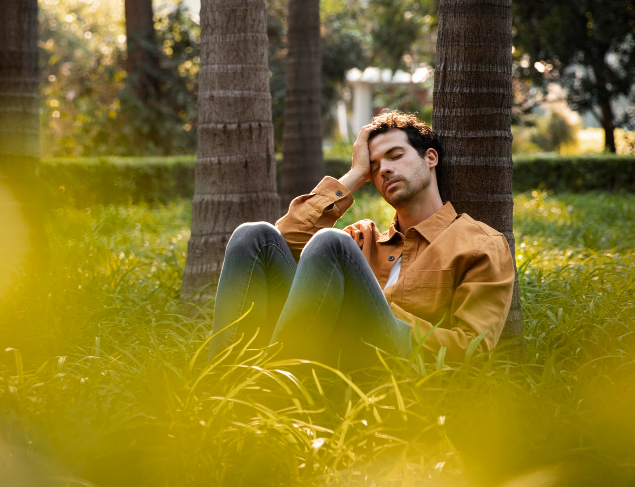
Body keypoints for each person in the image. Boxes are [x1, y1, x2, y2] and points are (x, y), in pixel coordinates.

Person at [208, 110, 515, 368]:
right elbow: (285, 237)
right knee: (254, 236)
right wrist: (355, 174)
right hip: (331, 354)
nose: (386, 170)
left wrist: (370, 302)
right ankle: (220, 392)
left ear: (430, 158)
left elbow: (471, 349)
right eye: (375, 166)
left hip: (397, 367)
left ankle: (279, 394)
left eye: (395, 156)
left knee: (331, 243)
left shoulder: (478, 244)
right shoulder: (362, 240)